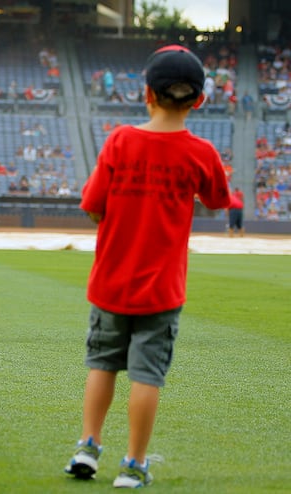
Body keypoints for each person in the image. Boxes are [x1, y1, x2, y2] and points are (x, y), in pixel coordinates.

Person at [64, 45, 230, 488]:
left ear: (147, 95)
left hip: (111, 283)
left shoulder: (120, 140)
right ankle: (133, 465)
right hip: (162, 291)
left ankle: (88, 447)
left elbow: (92, 206)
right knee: (146, 375)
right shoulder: (203, 152)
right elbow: (218, 200)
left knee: (102, 365)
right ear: (198, 100)